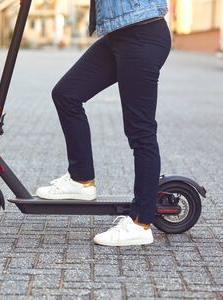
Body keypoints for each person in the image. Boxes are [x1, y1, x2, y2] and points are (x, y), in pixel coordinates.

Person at [35, 0, 172, 246]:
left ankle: (140, 223)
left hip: (142, 33)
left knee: (140, 132)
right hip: (119, 35)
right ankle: (81, 180)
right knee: (67, 94)